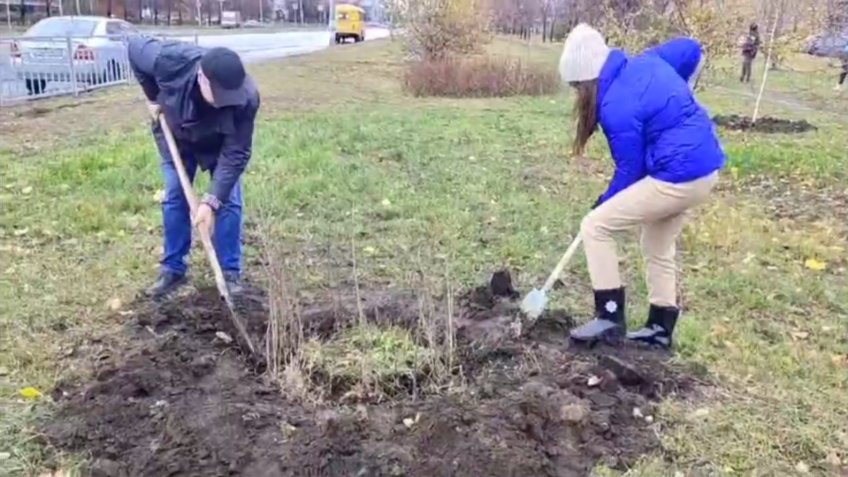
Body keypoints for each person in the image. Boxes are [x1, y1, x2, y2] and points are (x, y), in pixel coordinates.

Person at [557, 24, 726, 348]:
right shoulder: (648, 62)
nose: (578, 95)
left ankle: (609, 318)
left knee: (596, 226)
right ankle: (660, 328)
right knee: (656, 242)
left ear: (587, 81)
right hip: (703, 168)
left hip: (678, 173)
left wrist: (604, 202)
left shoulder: (615, 105)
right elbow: (691, 49)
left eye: (577, 87)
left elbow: (630, 169)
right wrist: (680, 92)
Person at [126, 35, 260, 298]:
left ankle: (229, 272)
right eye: (221, 95)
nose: (226, 102)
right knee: (175, 195)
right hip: (177, 136)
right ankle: (173, 268)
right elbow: (134, 47)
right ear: (202, 78)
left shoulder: (246, 98)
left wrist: (210, 202)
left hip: (219, 144)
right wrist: (152, 97)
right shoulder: (169, 61)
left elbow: (236, 153)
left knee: (228, 200)